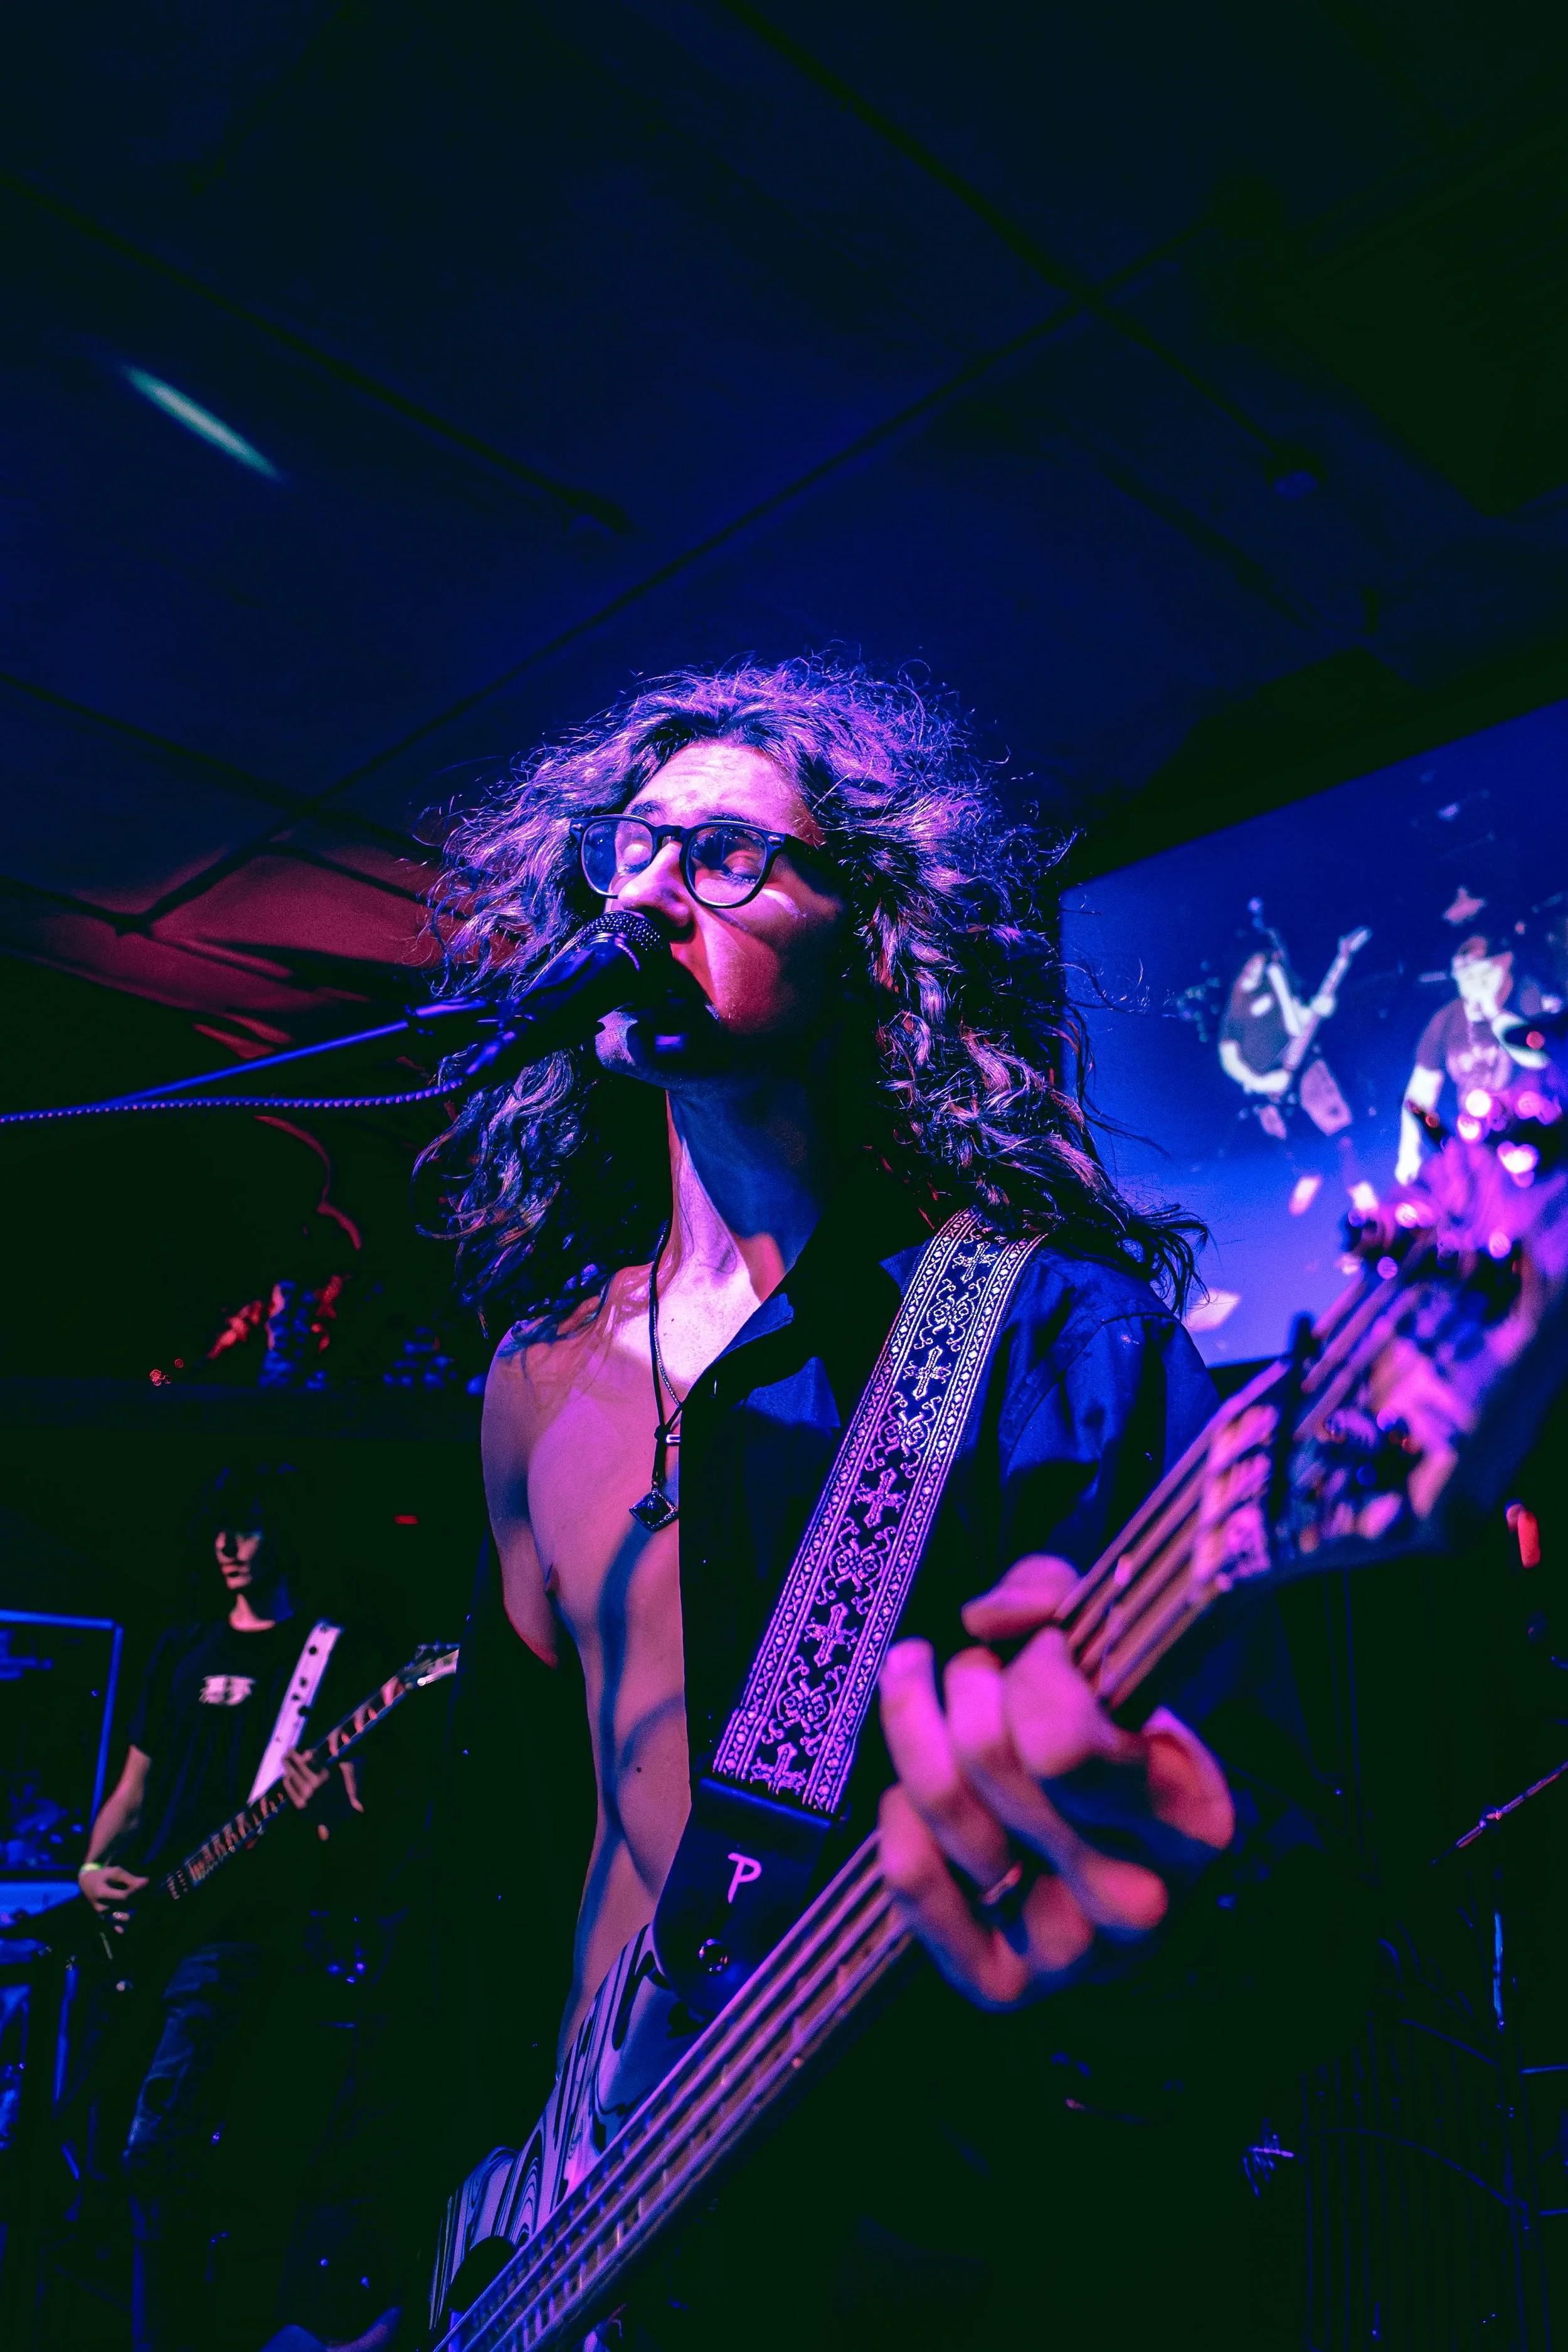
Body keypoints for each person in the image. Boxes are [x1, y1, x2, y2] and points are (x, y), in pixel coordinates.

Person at [428, 661, 1364, 2348]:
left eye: (721, 853)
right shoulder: (530, 1379)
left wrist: (1137, 1919)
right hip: (550, 2237)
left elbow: (1260, 1866)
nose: (646, 889)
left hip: (894, 2247)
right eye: (627, 848)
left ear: (868, 939)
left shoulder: (1040, 1346)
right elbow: (511, 1860)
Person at [78, 1464, 366, 2352]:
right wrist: (91, 1867)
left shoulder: (326, 1651)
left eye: (244, 1527)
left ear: (276, 1531)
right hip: (146, 1924)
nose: (227, 1546)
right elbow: (134, 1787)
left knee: (156, 2150)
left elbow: (354, 1819)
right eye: (217, 1529)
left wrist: (325, 1809)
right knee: (100, 2143)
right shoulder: (181, 1649)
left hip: (240, 1932)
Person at [1396, 934, 1552, 1185]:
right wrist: (1408, 1153)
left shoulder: (1525, 995)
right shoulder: (1445, 1020)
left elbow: (1539, 1059)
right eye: (1466, 976)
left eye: (1483, 973)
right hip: (1481, 1136)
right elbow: (1420, 1091)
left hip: (1535, 1121)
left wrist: (1492, 1010)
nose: (1475, 984)